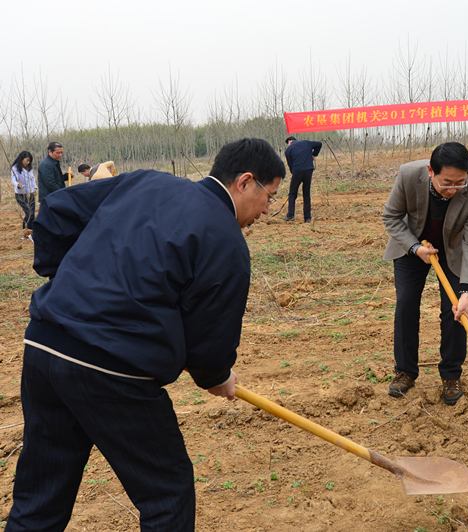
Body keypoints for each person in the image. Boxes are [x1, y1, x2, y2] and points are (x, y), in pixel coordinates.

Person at [6, 138, 285, 531]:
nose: (268, 209)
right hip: (111, 370)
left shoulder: (145, 181)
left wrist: (70, 282)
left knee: (40, 500)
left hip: (45, 343)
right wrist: (216, 375)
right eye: (269, 197)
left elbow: (56, 211)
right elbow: (209, 343)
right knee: (167, 495)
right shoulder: (226, 240)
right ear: (245, 182)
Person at [382, 142, 468, 406]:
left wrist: (466, 293)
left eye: (460, 183)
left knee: (455, 311)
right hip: (412, 246)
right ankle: (405, 372)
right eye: (446, 182)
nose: (453, 189)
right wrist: (416, 248)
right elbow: (391, 216)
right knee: (406, 304)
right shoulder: (408, 175)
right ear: (431, 171)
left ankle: (451, 375)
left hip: (452, 251)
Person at [282, 135, 322, 223]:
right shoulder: (306, 143)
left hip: (297, 171)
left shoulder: (288, 150)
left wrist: (294, 173)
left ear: (289, 142)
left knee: (292, 194)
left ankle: (290, 215)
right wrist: (314, 154)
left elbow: (290, 165)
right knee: (306, 194)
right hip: (308, 170)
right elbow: (319, 144)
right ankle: (307, 218)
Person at [11, 150, 37, 240]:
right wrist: (17, 184)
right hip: (21, 194)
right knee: (29, 213)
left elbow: (32, 179)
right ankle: (24, 233)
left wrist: (35, 188)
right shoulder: (15, 168)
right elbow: (13, 179)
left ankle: (32, 233)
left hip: (30, 193)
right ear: (21, 159)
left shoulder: (29, 168)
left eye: (29, 161)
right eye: (27, 160)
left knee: (32, 214)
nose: (28, 162)